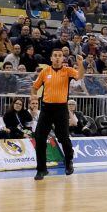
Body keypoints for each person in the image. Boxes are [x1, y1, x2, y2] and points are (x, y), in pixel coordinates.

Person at [32, 50, 85, 180]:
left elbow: (80, 76)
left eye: (59, 56)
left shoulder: (68, 71)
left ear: (63, 58)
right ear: (51, 58)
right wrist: (33, 95)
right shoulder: (45, 72)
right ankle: (41, 169)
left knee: (63, 137)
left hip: (61, 109)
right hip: (46, 109)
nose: (57, 58)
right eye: (55, 55)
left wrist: (80, 64)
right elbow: (35, 86)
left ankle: (69, 162)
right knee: (39, 138)